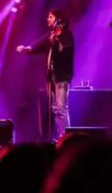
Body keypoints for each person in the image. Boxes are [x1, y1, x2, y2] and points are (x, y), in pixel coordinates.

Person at [17, 10, 74, 140]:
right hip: (51, 78)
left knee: (61, 108)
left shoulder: (66, 34)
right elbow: (39, 45)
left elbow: (63, 51)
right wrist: (27, 49)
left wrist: (56, 39)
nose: (48, 19)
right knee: (55, 109)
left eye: (51, 17)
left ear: (58, 19)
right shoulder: (51, 36)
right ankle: (60, 137)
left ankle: (67, 138)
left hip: (61, 77)